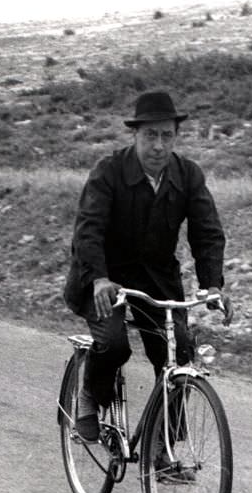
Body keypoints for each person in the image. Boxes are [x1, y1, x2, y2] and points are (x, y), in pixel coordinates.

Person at [64, 91, 232, 442]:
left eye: (166, 136)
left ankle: (163, 442)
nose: (158, 145)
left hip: (157, 282)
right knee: (114, 345)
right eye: (150, 136)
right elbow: (88, 229)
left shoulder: (187, 175)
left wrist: (212, 285)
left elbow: (207, 232)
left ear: (175, 137)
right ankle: (90, 395)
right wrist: (98, 279)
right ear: (135, 135)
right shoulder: (109, 171)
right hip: (104, 278)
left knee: (180, 350)